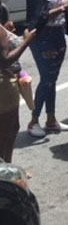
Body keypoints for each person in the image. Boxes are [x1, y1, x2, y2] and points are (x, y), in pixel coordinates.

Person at [25, 0, 68, 138]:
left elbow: (64, 10)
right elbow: (38, 17)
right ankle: (33, 120)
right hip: (43, 38)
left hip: (57, 35)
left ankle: (51, 119)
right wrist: (63, 9)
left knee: (52, 79)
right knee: (46, 79)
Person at [0, 9, 36, 162]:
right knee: (8, 131)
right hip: (4, 86)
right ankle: (5, 171)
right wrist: (27, 41)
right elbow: (5, 60)